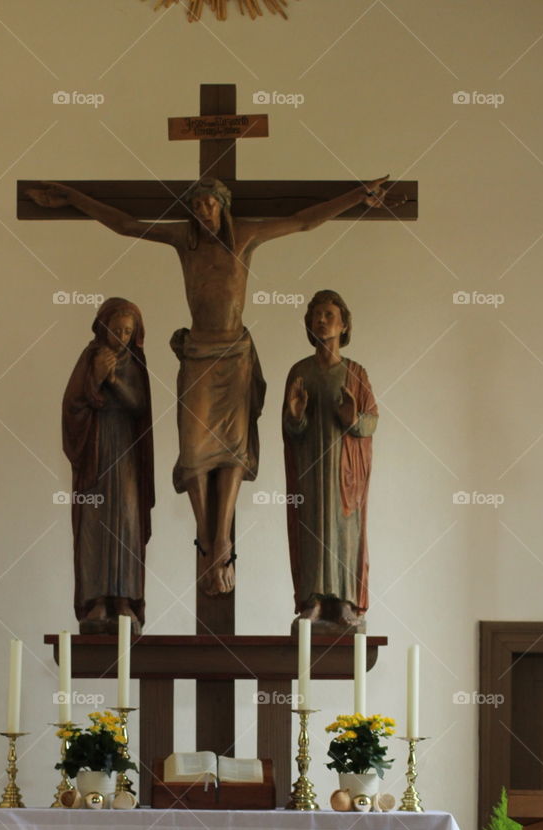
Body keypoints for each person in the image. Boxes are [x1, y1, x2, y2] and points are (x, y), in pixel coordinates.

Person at [29, 175, 390, 593]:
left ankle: (221, 540)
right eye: (196, 205)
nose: (202, 212)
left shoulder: (246, 238)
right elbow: (127, 225)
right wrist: (75, 196)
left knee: (235, 447)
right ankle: (208, 542)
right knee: (194, 448)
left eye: (209, 204)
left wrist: (354, 196)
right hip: (198, 354)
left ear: (224, 206)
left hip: (235, 354)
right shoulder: (185, 241)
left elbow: (304, 221)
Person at [282, 289, 378, 631]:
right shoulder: (300, 371)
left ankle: (346, 604)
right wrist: (295, 417)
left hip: (345, 472)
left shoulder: (355, 373)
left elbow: (371, 421)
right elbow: (290, 430)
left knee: (345, 532)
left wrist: (352, 419)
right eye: (316, 316)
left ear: (344, 324)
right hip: (310, 468)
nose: (321, 321)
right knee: (312, 528)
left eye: (329, 315)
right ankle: (315, 601)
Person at [61, 298, 154, 633]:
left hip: (126, 452)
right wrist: (95, 380)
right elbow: (72, 404)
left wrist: (113, 380)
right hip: (96, 451)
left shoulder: (135, 363)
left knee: (127, 522)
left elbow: (139, 405)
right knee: (95, 524)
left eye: (129, 331)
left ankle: (124, 601)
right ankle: (97, 600)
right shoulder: (90, 357)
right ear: (104, 327)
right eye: (117, 330)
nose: (122, 337)